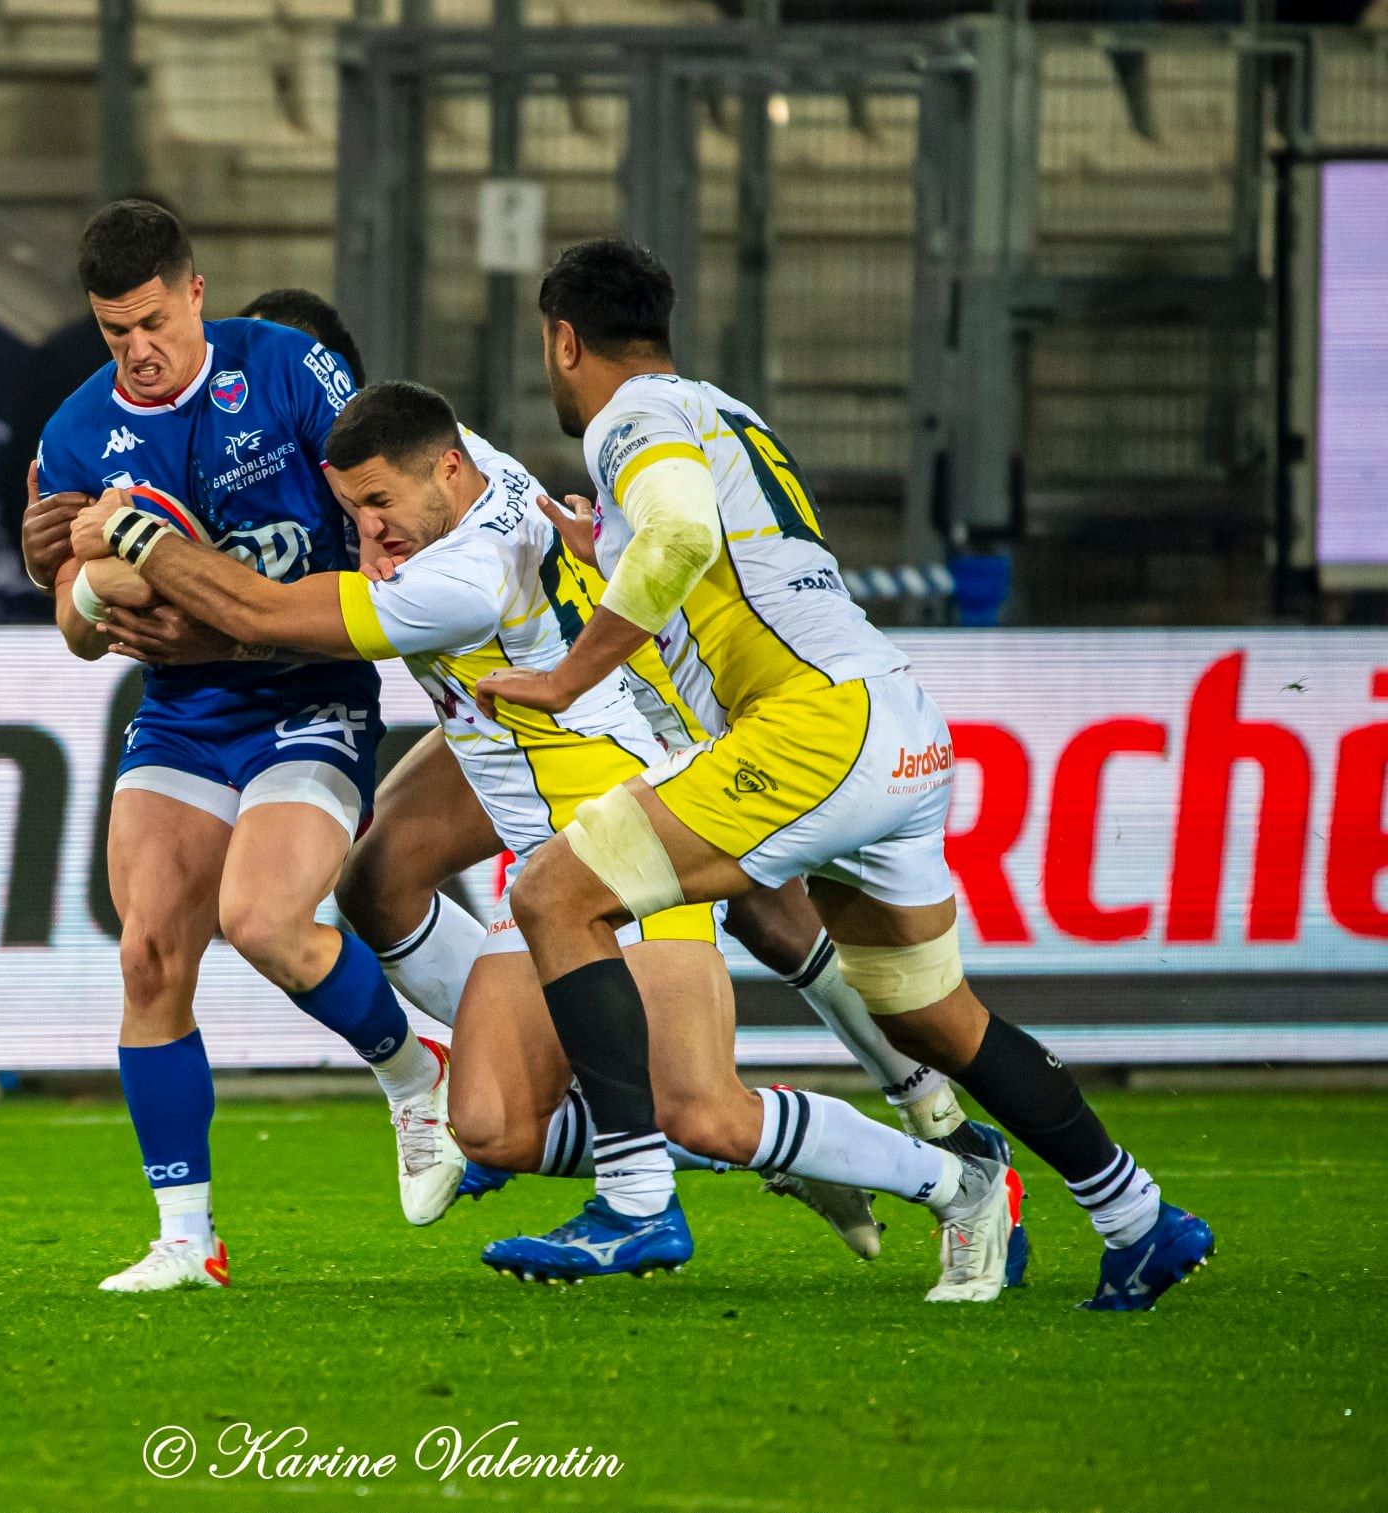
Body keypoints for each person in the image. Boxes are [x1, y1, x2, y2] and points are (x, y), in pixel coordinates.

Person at [26, 291, 1016, 1263]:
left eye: (375, 509)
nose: (368, 537)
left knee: (708, 1098)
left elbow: (266, 619)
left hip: (616, 825)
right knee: (490, 1119)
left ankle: (950, 1170)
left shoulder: (451, 580)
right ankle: (713, 1139)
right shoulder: (459, 468)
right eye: (351, 512)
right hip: (537, 820)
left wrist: (134, 544)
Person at [476, 237, 1214, 1311]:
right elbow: (719, 548)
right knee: (929, 1016)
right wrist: (611, 545)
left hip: (816, 725)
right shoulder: (719, 408)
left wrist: (568, 671)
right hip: (896, 720)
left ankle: (633, 1206)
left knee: (553, 892)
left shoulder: (624, 418)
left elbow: (681, 531)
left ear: (562, 338)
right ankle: (1136, 1216)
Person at [38, 202, 464, 1293]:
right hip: (182, 710)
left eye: (149, 321)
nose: (136, 349)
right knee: (146, 954)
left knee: (265, 920)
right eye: (110, 331)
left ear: (194, 292)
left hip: (304, 692)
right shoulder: (79, 431)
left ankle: (415, 1079)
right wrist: (91, 584)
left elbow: (372, 502)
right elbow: (76, 629)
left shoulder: (285, 367)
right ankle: (188, 1239)